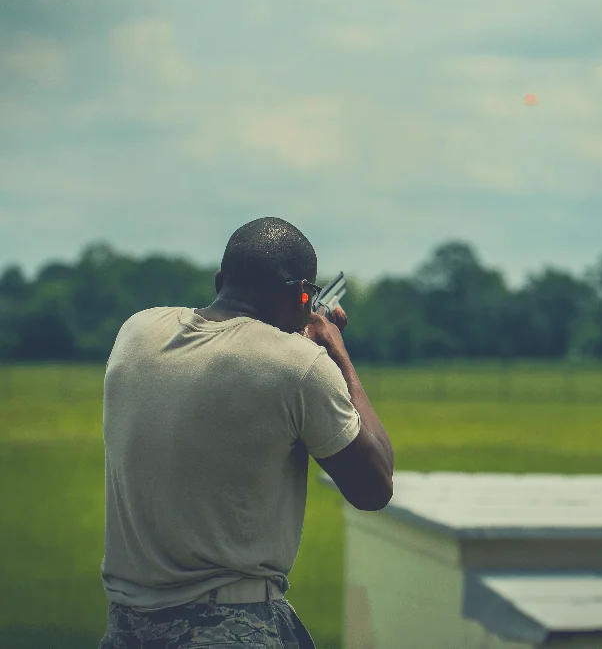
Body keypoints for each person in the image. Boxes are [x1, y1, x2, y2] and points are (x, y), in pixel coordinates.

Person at [98, 217, 394, 648]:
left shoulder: (136, 330)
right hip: (230, 629)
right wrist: (336, 355)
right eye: (308, 297)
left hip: (127, 628)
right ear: (303, 295)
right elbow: (375, 485)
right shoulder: (300, 366)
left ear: (220, 280)